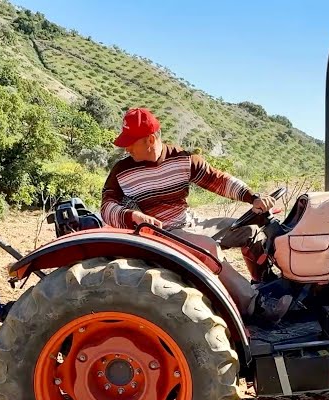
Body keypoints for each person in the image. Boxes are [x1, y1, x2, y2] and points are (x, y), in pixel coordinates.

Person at [101, 107, 291, 324]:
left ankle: (264, 284)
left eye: (131, 142)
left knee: (250, 230)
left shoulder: (182, 159)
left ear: (150, 140)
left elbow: (218, 180)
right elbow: (107, 207)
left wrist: (253, 198)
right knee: (208, 248)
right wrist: (133, 216)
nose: (126, 148)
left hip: (188, 222)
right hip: (159, 234)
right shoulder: (122, 171)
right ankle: (254, 307)